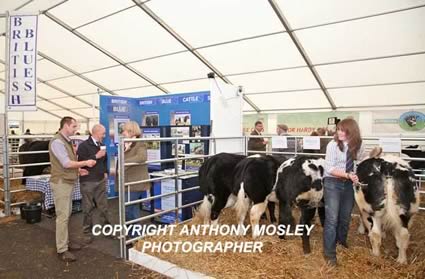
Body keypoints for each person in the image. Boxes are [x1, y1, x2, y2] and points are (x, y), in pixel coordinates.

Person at [49, 116, 97, 262]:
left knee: (66, 214)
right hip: (61, 182)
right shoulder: (57, 141)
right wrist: (85, 163)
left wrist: (78, 171)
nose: (76, 129)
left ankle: (65, 243)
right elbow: (66, 163)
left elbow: (68, 164)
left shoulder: (65, 141)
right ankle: (62, 249)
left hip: (67, 181)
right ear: (66, 125)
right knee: (63, 216)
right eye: (74, 126)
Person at [323, 118, 365, 266]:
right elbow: (329, 168)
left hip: (348, 185)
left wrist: (355, 174)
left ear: (351, 132)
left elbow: (359, 160)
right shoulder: (332, 145)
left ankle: (341, 242)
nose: (339, 132)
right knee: (332, 219)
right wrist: (347, 175)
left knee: (345, 217)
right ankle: (329, 254)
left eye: (343, 130)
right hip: (332, 183)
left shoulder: (359, 145)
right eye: (338, 129)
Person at [115, 121, 151, 234]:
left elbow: (142, 157)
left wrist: (123, 163)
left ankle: (135, 235)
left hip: (135, 183)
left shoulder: (139, 143)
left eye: (125, 130)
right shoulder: (125, 143)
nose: (123, 133)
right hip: (127, 183)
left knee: (129, 210)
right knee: (130, 209)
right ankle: (133, 235)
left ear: (131, 131)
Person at [77, 124, 110, 243]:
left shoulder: (102, 145)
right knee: (88, 207)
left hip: (100, 179)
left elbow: (105, 160)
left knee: (103, 207)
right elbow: (81, 163)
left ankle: (107, 229)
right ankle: (87, 232)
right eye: (103, 133)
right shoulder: (83, 146)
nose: (104, 135)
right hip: (88, 181)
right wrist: (96, 156)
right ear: (96, 133)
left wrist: (105, 172)